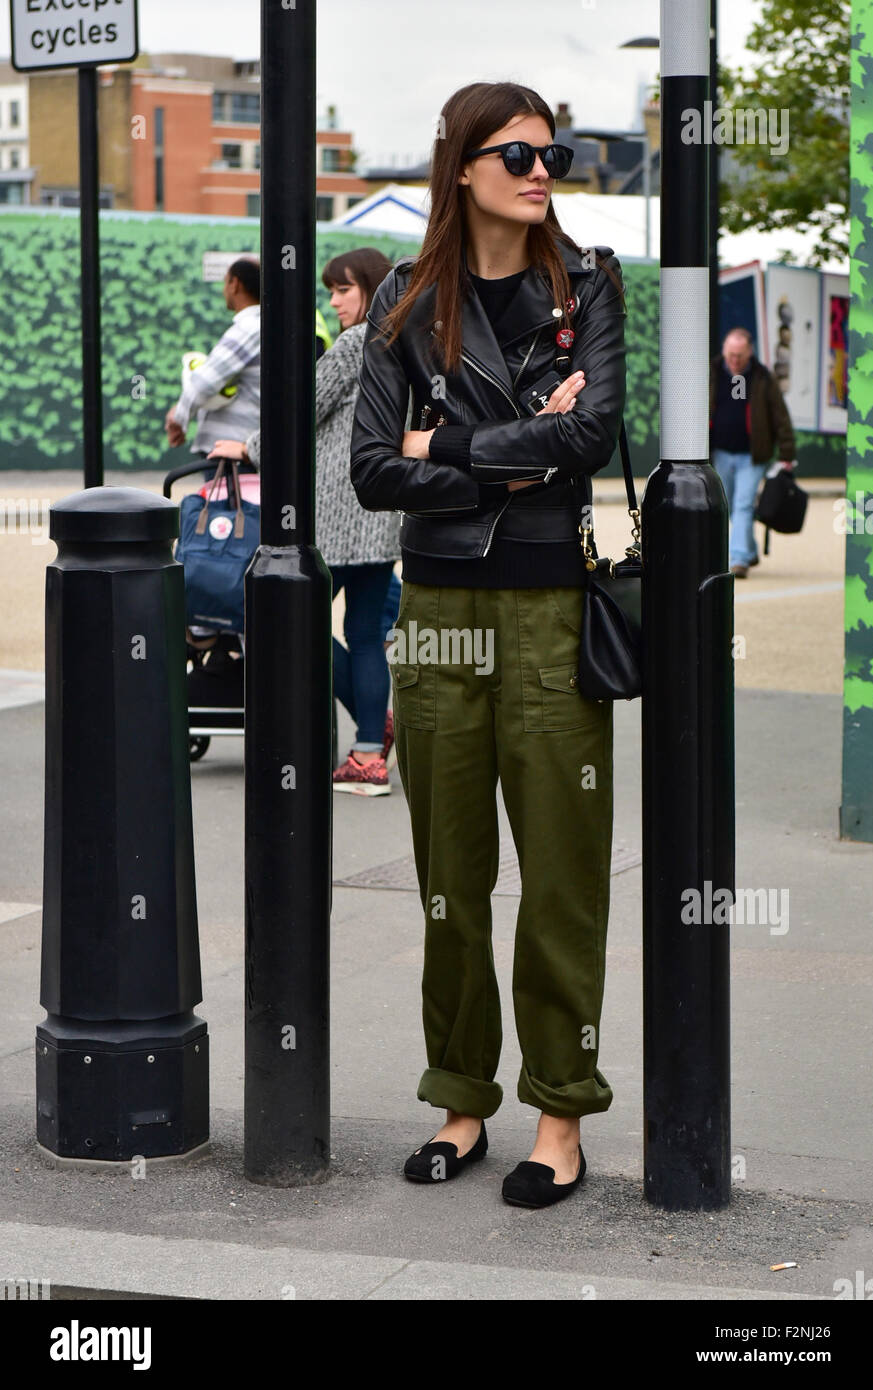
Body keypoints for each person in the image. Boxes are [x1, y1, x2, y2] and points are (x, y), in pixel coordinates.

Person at [349, 81, 627, 1208]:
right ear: (460, 167)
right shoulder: (407, 304)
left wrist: (448, 437)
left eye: (549, 150)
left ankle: (559, 1113)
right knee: (447, 880)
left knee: (561, 875)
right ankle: (461, 1100)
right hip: (440, 610)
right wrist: (513, 447)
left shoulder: (589, 283)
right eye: (514, 152)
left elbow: (589, 432)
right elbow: (373, 470)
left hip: (553, 607)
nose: (539, 167)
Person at [209, 248, 402, 794]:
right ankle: (369, 751)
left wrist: (248, 447)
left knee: (296, 625)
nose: (335, 301)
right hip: (383, 511)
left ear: (369, 286)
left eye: (343, 289)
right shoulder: (409, 342)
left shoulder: (352, 345)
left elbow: (299, 413)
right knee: (365, 633)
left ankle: (361, 733)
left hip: (338, 516)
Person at [164, 258, 261, 481]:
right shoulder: (262, 325)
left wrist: (178, 417)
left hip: (230, 449)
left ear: (234, 284)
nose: (223, 289)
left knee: (227, 515)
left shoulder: (249, 328)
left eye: (225, 282)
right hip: (242, 447)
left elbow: (204, 383)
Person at [709, 327, 795, 577]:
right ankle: (749, 549)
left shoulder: (762, 377)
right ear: (725, 352)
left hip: (753, 455)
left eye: (740, 356)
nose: (735, 361)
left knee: (743, 505)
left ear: (749, 353)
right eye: (731, 355)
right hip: (721, 453)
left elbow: (780, 416)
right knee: (727, 506)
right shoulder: (713, 372)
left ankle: (738, 560)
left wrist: (787, 454)